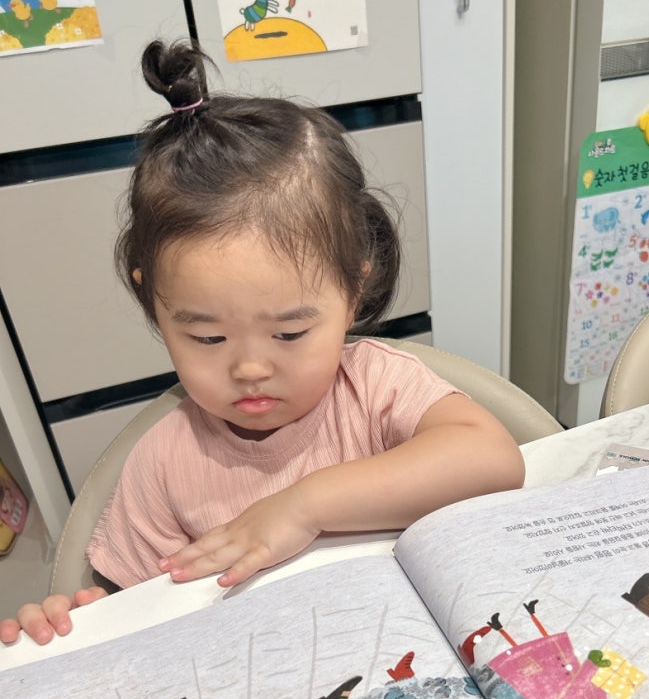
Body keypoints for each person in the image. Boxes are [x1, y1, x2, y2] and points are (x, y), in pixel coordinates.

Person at [1, 38, 524, 648]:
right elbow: (141, 620)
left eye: (290, 333)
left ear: (354, 289)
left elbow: (493, 459)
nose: (250, 367)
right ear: (155, 304)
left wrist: (304, 505)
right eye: (207, 336)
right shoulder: (164, 463)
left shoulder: (376, 387)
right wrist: (81, 622)